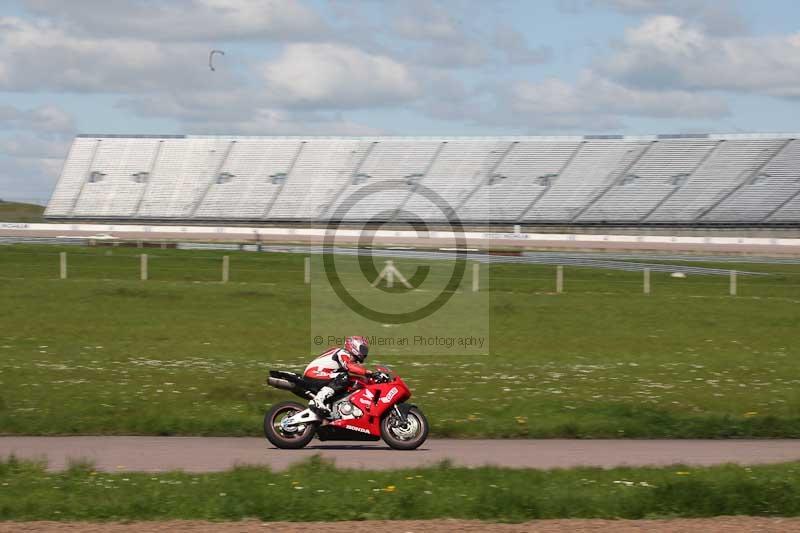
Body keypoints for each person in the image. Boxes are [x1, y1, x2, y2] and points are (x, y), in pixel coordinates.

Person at [303, 336, 386, 415]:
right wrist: (369, 373)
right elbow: (349, 367)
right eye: (363, 349)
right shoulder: (343, 353)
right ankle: (317, 401)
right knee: (343, 377)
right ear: (354, 346)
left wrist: (369, 378)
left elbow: (355, 371)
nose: (364, 352)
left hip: (322, 374)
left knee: (351, 380)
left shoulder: (347, 357)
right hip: (315, 373)